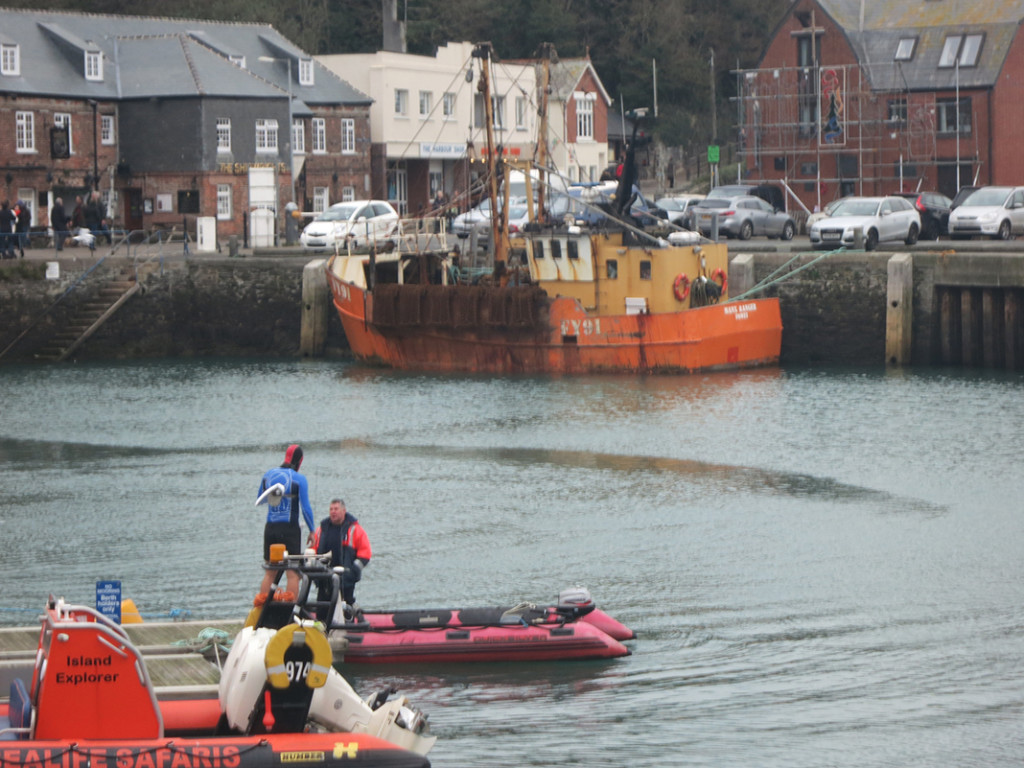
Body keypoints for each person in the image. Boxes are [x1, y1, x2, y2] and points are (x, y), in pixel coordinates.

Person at [255, 444, 315, 603]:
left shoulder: (268, 475)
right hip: (289, 529)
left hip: (271, 528)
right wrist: (312, 530)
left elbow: (260, 498)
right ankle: (290, 610)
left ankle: (261, 608)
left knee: (270, 572)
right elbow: (306, 508)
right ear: (300, 461)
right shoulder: (299, 479)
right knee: (292, 572)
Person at [311, 498, 371, 622]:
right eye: (331, 509)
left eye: (336, 509)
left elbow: (365, 553)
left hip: (346, 577)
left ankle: (354, 624)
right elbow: (313, 550)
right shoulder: (322, 529)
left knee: (347, 607)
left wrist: (353, 570)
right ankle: (322, 631)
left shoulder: (354, 529)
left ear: (344, 511)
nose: (333, 512)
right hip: (324, 577)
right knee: (322, 609)